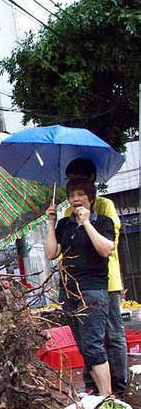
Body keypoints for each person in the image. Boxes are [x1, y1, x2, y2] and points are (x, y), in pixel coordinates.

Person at [44, 178, 115, 396]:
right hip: (70, 293)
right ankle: (101, 397)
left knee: (93, 346)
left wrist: (86, 223)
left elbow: (106, 250)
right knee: (84, 348)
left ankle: (107, 397)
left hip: (92, 292)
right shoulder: (65, 225)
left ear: (91, 198)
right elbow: (51, 253)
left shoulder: (102, 222)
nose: (75, 199)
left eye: (80, 194)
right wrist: (52, 222)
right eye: (72, 195)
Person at [64, 159, 127, 396]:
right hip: (77, 285)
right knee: (87, 338)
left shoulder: (105, 206)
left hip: (106, 280)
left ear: (91, 182)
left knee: (112, 334)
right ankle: (93, 384)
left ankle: (118, 386)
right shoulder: (68, 211)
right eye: (71, 183)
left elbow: (112, 243)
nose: (75, 189)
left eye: (80, 181)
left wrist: (88, 219)